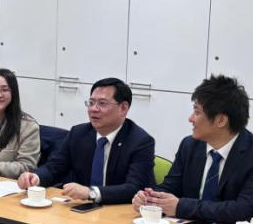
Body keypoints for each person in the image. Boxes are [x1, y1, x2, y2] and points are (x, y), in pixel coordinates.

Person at [133, 75, 253, 224]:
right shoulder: (189, 146)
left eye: (197, 112)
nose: (191, 119)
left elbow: (242, 211)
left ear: (221, 120)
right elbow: (172, 187)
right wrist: (150, 199)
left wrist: (181, 206)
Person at [17, 78, 154, 205]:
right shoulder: (78, 133)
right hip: (82, 208)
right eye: (91, 102)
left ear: (123, 108)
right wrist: (35, 177)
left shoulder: (140, 142)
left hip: (118, 211)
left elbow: (134, 188)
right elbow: (54, 167)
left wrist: (91, 192)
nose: (94, 109)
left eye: (102, 103)